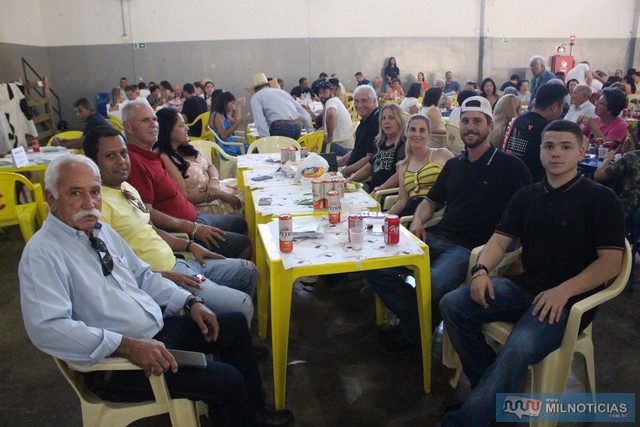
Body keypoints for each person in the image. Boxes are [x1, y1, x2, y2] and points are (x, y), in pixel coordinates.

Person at [19, 154, 294, 427]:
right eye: (75, 193)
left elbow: (142, 275)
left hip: (154, 334)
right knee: (227, 380)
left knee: (233, 325)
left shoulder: (100, 232)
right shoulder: (44, 253)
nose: (89, 203)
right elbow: (48, 328)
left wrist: (190, 302)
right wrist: (127, 346)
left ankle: (251, 415)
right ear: (51, 198)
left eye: (94, 192)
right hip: (118, 365)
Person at [439, 120, 625, 427]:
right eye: (549, 146)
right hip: (525, 287)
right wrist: (481, 270)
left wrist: (564, 291)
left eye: (566, 147)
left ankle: (467, 419)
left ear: (581, 152)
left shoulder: (601, 199)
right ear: (539, 151)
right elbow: (499, 240)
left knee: (519, 347)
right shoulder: (527, 195)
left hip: (569, 302)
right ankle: (494, 400)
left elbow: (610, 263)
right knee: (453, 304)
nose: (556, 153)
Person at [365, 97, 532, 353]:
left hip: (470, 250)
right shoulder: (455, 165)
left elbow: (528, 217)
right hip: (436, 236)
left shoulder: (511, 167)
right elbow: (430, 201)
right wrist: (418, 220)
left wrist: (517, 258)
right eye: (465, 121)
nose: (470, 127)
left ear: (490, 126)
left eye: (477, 121)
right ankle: (416, 327)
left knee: (432, 284)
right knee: (374, 263)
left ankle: (412, 333)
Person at [84, 126, 255, 324]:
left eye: (123, 153)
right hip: (162, 279)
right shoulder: (99, 207)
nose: (121, 161)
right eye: (110, 156)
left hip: (180, 261)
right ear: (93, 162)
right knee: (242, 305)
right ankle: (228, 329)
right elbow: (111, 271)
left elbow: (152, 230)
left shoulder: (126, 188)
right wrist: (165, 276)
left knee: (249, 271)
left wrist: (190, 246)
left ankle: (229, 329)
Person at [122, 98, 252, 260]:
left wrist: (213, 183)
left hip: (193, 216)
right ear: (128, 127)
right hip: (184, 229)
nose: (153, 124)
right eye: (145, 120)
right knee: (245, 244)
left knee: (242, 223)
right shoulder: (136, 162)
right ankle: (230, 269)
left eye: (154, 119)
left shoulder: (151, 155)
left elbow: (208, 169)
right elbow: (147, 214)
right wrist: (192, 228)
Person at [155, 108, 245, 216]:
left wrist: (214, 181)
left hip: (218, 189)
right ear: (168, 131)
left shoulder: (185, 147)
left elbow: (210, 167)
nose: (187, 128)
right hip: (207, 205)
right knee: (246, 205)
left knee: (251, 193)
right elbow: (184, 196)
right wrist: (219, 194)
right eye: (182, 125)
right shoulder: (166, 158)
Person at [385, 114, 454, 217]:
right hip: (410, 215)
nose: (417, 134)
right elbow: (402, 201)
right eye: (413, 130)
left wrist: (440, 215)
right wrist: (383, 217)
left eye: (422, 130)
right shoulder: (403, 165)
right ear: (406, 133)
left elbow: (457, 188)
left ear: (429, 135)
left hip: (437, 214)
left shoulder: (442, 154)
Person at [504, 82, 567, 181]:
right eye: (562, 107)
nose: (562, 111)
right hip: (535, 182)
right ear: (554, 107)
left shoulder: (517, 120)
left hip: (509, 176)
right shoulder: (548, 130)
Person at [346, 104, 407, 191]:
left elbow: (398, 175)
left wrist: (379, 190)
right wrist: (348, 181)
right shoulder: (380, 143)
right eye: (383, 118)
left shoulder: (403, 144)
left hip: (386, 193)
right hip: (374, 190)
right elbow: (368, 169)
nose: (386, 121)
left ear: (399, 121)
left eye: (391, 118)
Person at [249, 73, 313, 139]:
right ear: (269, 85)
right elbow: (302, 111)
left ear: (255, 90)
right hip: (297, 127)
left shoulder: (256, 97)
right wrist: (310, 131)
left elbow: (260, 120)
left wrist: (266, 139)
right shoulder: (283, 92)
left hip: (279, 128)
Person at [339, 85, 380, 177]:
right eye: (356, 101)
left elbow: (369, 159)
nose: (359, 105)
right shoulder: (365, 120)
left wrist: (344, 172)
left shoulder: (377, 122)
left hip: (360, 177)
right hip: (351, 171)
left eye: (364, 101)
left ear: (374, 101)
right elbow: (357, 150)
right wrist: (336, 163)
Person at [595, 142, 640, 216]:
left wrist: (607, 159)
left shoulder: (631, 157)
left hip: (628, 210)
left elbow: (598, 176)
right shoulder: (631, 156)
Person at [317, 81, 354, 156]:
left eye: (324, 92)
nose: (321, 95)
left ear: (332, 92)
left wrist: (329, 137)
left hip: (341, 147)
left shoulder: (331, 101)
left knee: (310, 149)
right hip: (345, 144)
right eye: (320, 93)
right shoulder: (335, 100)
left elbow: (331, 114)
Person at [209, 91, 250, 156]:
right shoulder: (217, 115)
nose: (232, 106)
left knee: (254, 147)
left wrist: (236, 116)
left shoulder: (222, 114)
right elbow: (224, 136)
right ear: (225, 103)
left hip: (231, 145)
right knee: (254, 148)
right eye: (231, 104)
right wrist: (237, 123)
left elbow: (233, 122)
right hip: (226, 148)